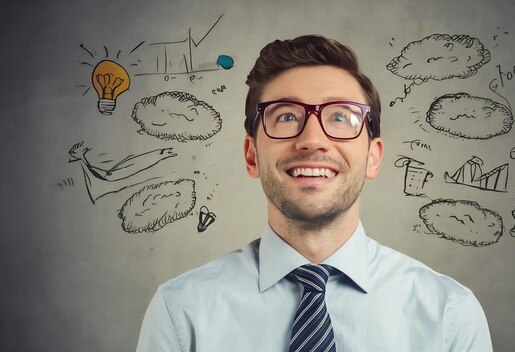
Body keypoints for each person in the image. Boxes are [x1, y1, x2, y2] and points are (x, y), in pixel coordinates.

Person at [136, 34, 492, 352]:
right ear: (251, 155)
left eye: (341, 118)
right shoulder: (181, 312)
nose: (312, 140)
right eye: (287, 117)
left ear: (373, 157)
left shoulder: (451, 315)